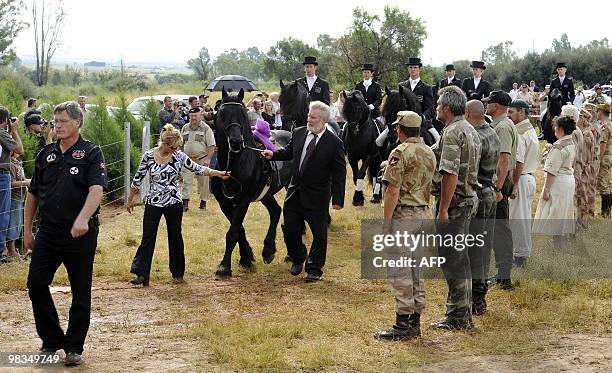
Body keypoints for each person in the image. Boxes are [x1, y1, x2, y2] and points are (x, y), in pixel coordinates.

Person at [24, 101, 106, 366]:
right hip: (48, 232)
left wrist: (82, 219)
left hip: (80, 233)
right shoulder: (45, 154)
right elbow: (33, 194)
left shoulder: (91, 153)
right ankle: (51, 339)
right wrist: (27, 231)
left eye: (63, 121)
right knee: (36, 284)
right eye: (55, 121)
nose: (57, 125)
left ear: (77, 123)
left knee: (80, 291)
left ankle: (73, 347)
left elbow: (96, 190)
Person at [127, 124, 229, 286]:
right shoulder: (148, 156)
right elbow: (138, 178)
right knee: (148, 237)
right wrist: (130, 198)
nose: (175, 150)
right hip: (153, 203)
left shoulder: (179, 156)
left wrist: (220, 173)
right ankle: (141, 274)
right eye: (173, 147)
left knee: (175, 237)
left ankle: (177, 272)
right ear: (165, 143)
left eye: (176, 148)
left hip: (174, 202)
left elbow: (199, 169)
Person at [262, 101, 346, 282]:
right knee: (290, 228)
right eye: (309, 116)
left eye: (313, 117)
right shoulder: (299, 133)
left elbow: (340, 173)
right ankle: (298, 256)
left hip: (317, 195)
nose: (309, 119)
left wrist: (338, 198)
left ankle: (314, 268)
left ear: (323, 120)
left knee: (319, 233)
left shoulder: (334, 143)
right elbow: (289, 151)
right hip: (294, 191)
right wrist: (274, 154)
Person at [374, 111, 436, 340]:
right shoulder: (428, 151)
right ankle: (415, 321)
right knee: (416, 269)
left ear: (400, 130)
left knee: (399, 270)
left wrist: (386, 223)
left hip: (404, 217)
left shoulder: (399, 152)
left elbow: (392, 190)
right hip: (423, 214)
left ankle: (401, 325)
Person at [430, 86, 481, 330]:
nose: (437, 107)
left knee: (452, 260)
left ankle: (458, 316)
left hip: (456, 204)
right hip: (469, 199)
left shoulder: (452, 132)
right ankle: (462, 311)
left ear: (447, 108)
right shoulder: (468, 129)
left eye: (439, 104)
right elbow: (435, 155)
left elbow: (449, 173)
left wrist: (442, 210)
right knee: (461, 258)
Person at [464, 99, 500, 315]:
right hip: (489, 192)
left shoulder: (474, 136)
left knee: (473, 247)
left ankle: (475, 297)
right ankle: (480, 295)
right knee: (484, 247)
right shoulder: (492, 133)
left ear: (468, 113)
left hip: (477, 192)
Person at [483, 90, 517, 289]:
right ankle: (502, 273)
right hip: (501, 180)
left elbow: (503, 159)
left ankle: (504, 275)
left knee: (500, 229)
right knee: (498, 228)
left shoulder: (502, 126)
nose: (487, 105)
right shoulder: (503, 124)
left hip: (498, 180)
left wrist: (498, 187)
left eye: (489, 102)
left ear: (496, 106)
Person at [532, 116, 577, 240]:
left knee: (553, 213)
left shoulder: (559, 146)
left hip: (558, 182)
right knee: (563, 212)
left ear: (561, 129)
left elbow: (552, 171)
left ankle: (556, 243)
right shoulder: (571, 142)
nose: (554, 129)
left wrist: (546, 189)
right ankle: (561, 239)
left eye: (556, 127)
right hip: (568, 180)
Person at [507, 99, 539, 267]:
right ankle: (521, 254)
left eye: (511, 112)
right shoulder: (529, 129)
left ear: (522, 111)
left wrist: (514, 184)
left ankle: (520, 257)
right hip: (528, 177)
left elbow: (518, 161)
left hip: (521, 177)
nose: (509, 115)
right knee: (523, 218)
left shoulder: (520, 132)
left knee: (518, 220)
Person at [0, 107, 24, 263]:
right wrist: (14, 130)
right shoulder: (1, 133)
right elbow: (19, 150)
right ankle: (1, 252)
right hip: (2, 175)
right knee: (3, 213)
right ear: (5, 120)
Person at [180, 108, 216, 212]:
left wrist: (208, 158)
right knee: (186, 181)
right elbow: (181, 144)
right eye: (191, 116)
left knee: (203, 182)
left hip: (201, 160)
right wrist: (181, 156)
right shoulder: (185, 128)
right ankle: (185, 203)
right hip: (187, 160)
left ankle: (203, 202)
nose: (193, 118)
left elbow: (212, 145)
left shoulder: (206, 128)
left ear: (200, 116)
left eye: (195, 116)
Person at [577, 109, 595, 229]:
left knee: (581, 197)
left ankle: (582, 223)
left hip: (583, 170)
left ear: (583, 119)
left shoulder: (586, 134)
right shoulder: (585, 132)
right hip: (585, 169)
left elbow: (583, 156)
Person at [596, 102, 611, 217]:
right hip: (610, 157)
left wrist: (598, 160)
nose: (596, 113)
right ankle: (608, 209)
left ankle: (605, 211)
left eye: (597, 111)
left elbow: (603, 145)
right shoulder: (610, 125)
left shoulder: (605, 127)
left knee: (603, 184)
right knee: (608, 182)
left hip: (605, 157)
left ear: (601, 112)